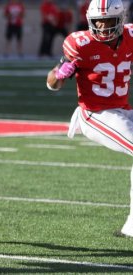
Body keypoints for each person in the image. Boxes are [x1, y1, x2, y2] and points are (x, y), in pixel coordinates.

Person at [46, 0, 133, 238]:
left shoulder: (131, 35)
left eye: (109, 21)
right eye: (98, 22)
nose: (103, 27)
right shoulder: (80, 44)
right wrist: (59, 74)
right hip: (95, 113)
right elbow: (52, 83)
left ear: (121, 20)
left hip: (123, 110)